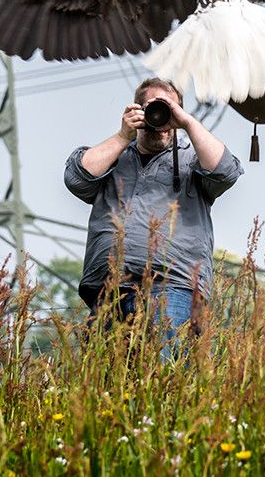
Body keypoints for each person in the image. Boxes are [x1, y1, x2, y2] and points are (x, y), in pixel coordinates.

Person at [63, 77, 243, 359]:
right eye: (152, 107)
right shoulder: (115, 157)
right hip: (109, 289)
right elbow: (76, 178)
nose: (159, 116)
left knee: (162, 373)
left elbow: (225, 171)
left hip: (173, 286)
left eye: (168, 108)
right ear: (136, 110)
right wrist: (123, 136)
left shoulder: (192, 159)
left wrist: (186, 122)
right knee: (103, 379)